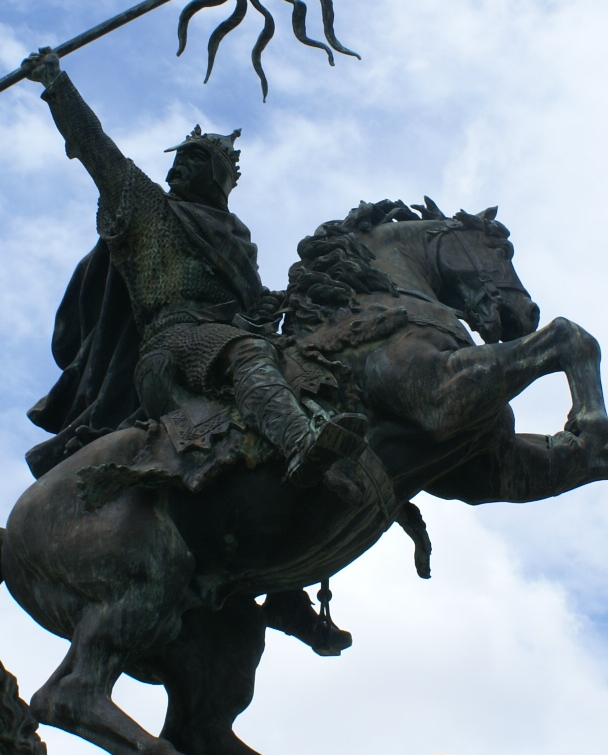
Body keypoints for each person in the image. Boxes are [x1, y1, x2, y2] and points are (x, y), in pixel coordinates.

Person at [19, 46, 367, 490]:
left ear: (224, 177)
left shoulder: (236, 238)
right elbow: (97, 150)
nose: (179, 164)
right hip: (175, 340)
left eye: (196, 158)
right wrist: (57, 86)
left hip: (223, 332)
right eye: (178, 157)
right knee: (248, 353)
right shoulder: (148, 209)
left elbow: (258, 308)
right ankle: (301, 445)